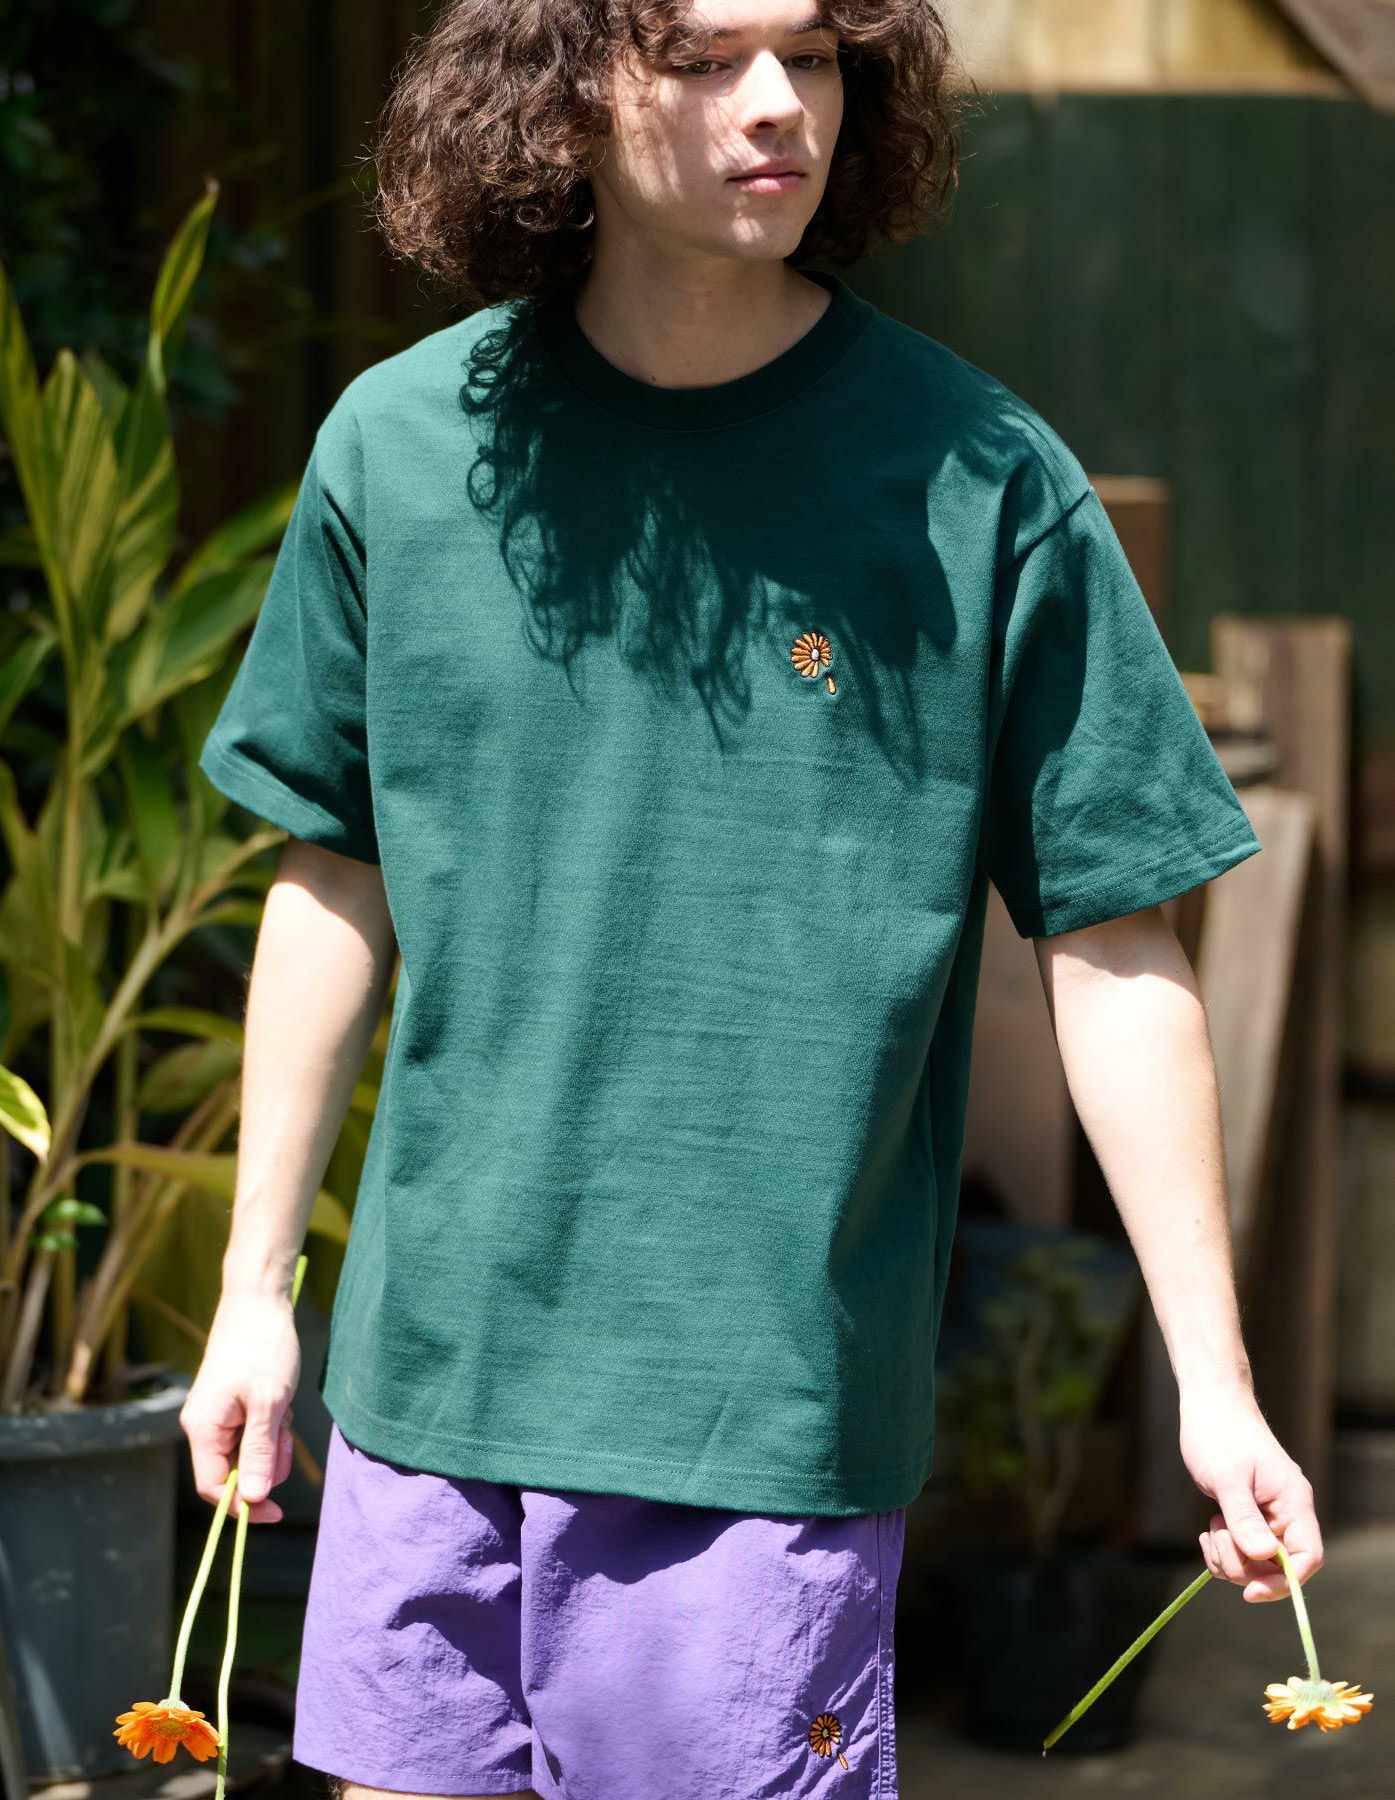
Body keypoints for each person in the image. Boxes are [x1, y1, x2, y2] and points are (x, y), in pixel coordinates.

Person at [180, 3, 1325, 1796]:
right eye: (704, 58)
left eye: (816, 52)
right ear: (563, 90)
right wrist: (256, 1291)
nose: (778, 103)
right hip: (426, 1396)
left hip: (758, 1415)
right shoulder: (396, 449)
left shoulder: (978, 480)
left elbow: (1114, 939)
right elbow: (332, 881)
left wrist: (1217, 1379)